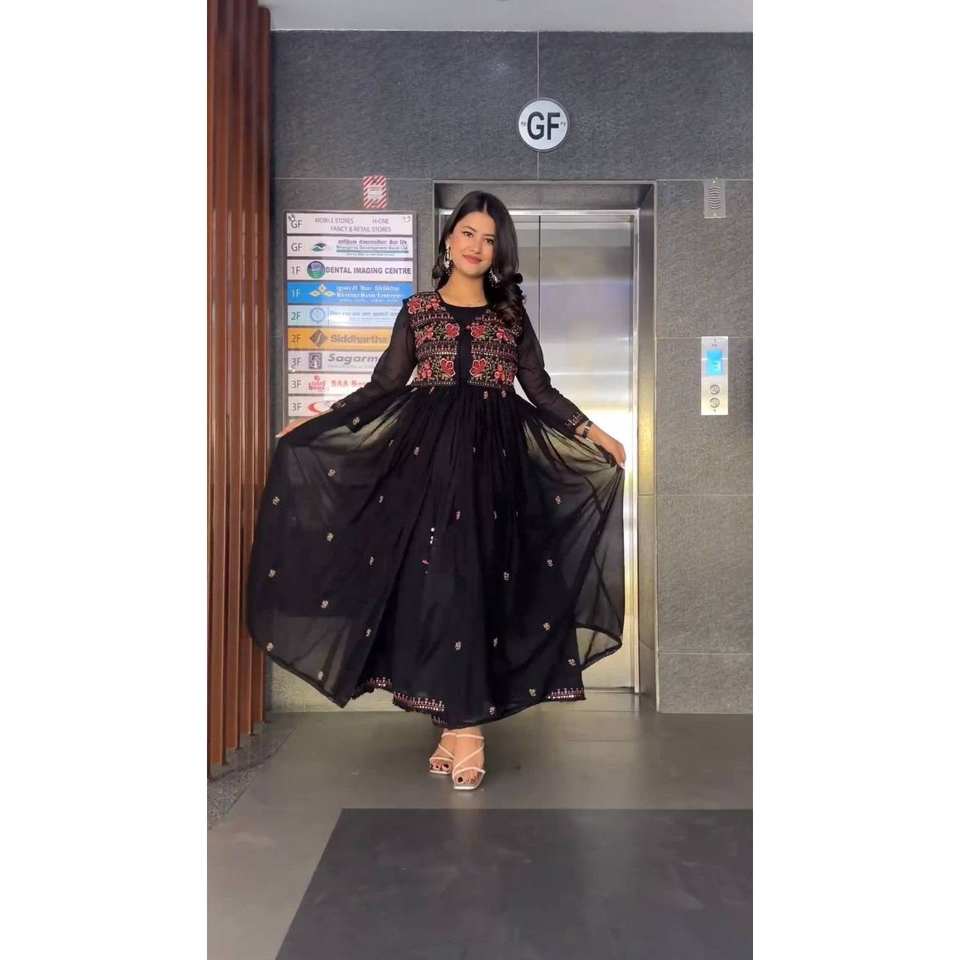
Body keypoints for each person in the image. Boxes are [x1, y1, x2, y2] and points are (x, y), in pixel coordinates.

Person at [246, 190, 626, 790]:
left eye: (490, 239)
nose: (477, 246)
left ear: (499, 252)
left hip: (498, 472)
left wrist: (593, 431)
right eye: (468, 233)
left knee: (480, 585)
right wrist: (318, 422)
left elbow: (540, 390)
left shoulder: (510, 316)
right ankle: (461, 725)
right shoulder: (419, 311)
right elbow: (383, 386)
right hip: (430, 469)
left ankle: (460, 726)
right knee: (439, 587)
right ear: (449, 240)